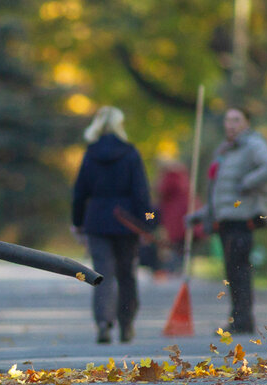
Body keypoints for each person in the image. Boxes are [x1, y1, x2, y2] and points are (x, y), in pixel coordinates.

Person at [186, 107, 267, 334]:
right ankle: (240, 318)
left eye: (236, 120)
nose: (231, 124)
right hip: (226, 220)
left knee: (239, 271)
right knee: (233, 271)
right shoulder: (226, 151)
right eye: (228, 120)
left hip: (242, 219)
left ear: (247, 123)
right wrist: (201, 215)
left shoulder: (252, 145)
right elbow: (223, 193)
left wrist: (248, 183)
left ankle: (242, 320)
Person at [72, 106, 151, 344]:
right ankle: (126, 325)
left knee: (101, 274)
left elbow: (79, 193)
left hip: (96, 221)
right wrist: (149, 223)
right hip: (126, 222)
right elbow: (142, 195)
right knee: (127, 274)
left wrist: (77, 223)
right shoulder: (130, 153)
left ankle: (104, 323)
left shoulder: (90, 154)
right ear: (120, 124)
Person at [155, 156, 191, 274]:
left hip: (173, 214)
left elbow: (160, 191)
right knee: (181, 242)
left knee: (173, 242)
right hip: (183, 213)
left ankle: (173, 268)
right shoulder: (183, 176)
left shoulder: (169, 178)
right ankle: (181, 267)